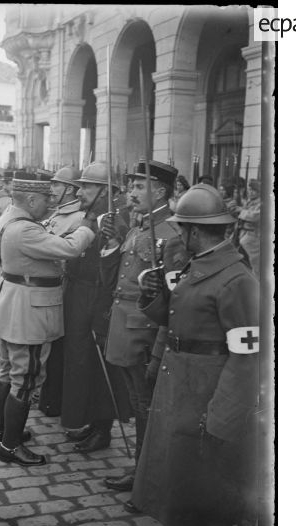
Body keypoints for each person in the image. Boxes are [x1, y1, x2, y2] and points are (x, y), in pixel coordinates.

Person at [129, 184, 260, 526]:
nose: (179, 235)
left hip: (205, 387)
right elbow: (179, 319)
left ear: (195, 232)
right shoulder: (199, 266)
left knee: (204, 479)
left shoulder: (236, 279)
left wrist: (223, 415)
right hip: (181, 379)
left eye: (182, 229)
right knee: (179, 469)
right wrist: (153, 295)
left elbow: (247, 356)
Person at [0, 177, 97, 467]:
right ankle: (10, 446)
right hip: (27, 312)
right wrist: (86, 227)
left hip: (11, 305)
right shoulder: (25, 229)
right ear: (31, 200)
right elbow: (70, 248)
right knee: (26, 378)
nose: (50, 205)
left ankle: (2, 433)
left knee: (8, 372)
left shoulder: (9, 217)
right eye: (46, 200)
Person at [98, 159, 190, 492]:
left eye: (139, 186)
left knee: (145, 406)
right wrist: (113, 242)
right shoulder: (138, 227)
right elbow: (119, 278)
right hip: (125, 325)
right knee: (138, 403)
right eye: (131, 186)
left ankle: (145, 476)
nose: (131, 192)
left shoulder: (171, 234)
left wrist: (159, 344)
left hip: (145, 332)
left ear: (161, 192)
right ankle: (143, 471)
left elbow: (174, 297)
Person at [60, 162, 132, 453]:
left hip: (98, 296)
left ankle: (103, 428)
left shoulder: (117, 219)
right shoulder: (89, 215)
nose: (81, 192)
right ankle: (89, 419)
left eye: (88, 186)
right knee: (80, 361)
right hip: (78, 293)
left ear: (106, 191)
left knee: (101, 366)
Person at [38, 166, 84, 417]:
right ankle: (45, 394)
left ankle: (53, 399)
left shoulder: (78, 218)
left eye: (56, 184)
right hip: (52, 288)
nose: (51, 188)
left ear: (70, 189)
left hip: (65, 286)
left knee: (58, 348)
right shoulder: (56, 214)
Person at [237, 179, 261, 278]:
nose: (250, 192)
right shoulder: (250, 201)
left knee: (255, 264)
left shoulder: (262, 203)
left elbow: (254, 216)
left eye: (253, 190)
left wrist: (241, 211)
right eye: (249, 189)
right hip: (244, 235)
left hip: (253, 237)